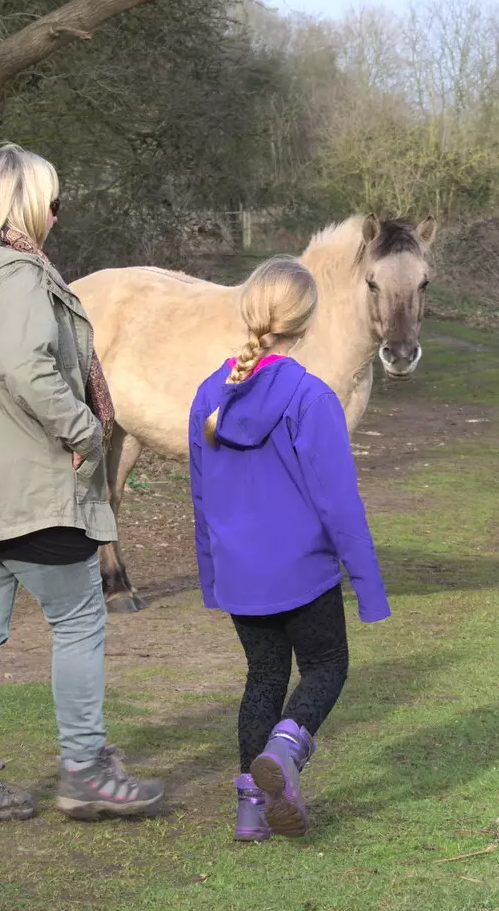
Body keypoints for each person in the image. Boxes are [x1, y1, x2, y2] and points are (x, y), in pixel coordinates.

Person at [0, 142, 163, 826]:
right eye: (53, 199)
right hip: (27, 493)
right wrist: (83, 430)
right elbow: (25, 368)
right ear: (26, 204)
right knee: (78, 622)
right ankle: (84, 772)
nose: (56, 212)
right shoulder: (19, 278)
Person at [186, 256, 391, 841]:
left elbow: (201, 496)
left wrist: (212, 576)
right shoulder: (313, 397)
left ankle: (251, 813)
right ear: (307, 320)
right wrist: (368, 587)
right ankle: (286, 748)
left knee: (263, 679)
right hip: (303, 571)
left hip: (242, 574)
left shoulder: (207, 395)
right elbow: (339, 503)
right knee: (327, 665)